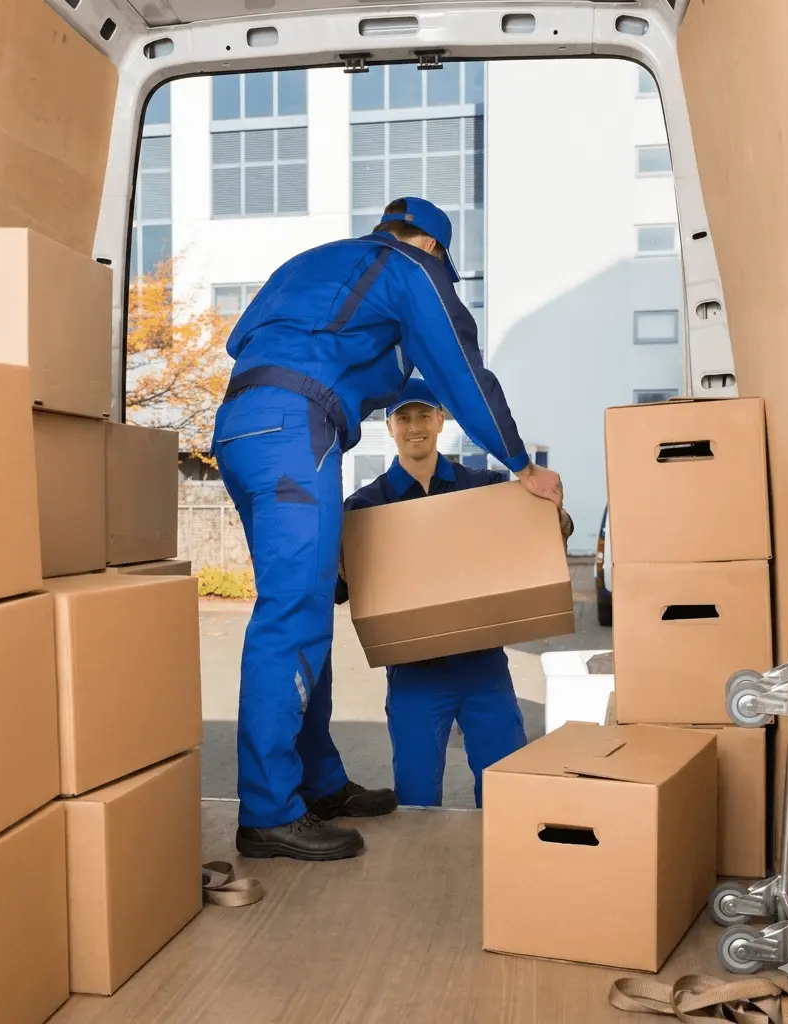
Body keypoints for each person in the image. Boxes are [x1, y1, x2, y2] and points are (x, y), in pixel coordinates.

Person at [212, 196, 564, 862]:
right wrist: (520, 464)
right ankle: (267, 811)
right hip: (296, 429)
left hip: (242, 427)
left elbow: (242, 342)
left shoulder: (314, 264)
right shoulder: (408, 266)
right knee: (291, 620)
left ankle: (317, 784)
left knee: (303, 609)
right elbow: (461, 371)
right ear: (433, 248)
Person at [335, 378, 574, 808]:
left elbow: (538, 539)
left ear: (441, 420)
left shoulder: (484, 487)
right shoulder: (364, 508)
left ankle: (505, 874)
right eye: (403, 417)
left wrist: (554, 516)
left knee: (506, 795)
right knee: (416, 800)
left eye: (424, 414)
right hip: (415, 675)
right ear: (389, 427)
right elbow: (340, 589)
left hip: (484, 669)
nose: (414, 427)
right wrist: (338, 563)